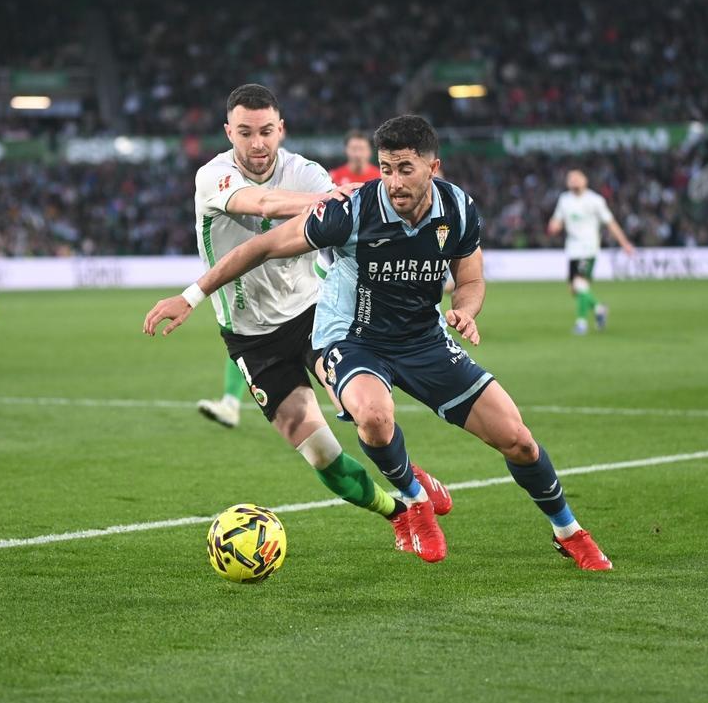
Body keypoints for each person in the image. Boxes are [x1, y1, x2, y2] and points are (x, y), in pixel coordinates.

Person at [146, 115, 613, 570]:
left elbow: (470, 278)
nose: (393, 181)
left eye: (405, 169)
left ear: (434, 167)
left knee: (518, 440)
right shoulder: (353, 210)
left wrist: (466, 313)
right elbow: (262, 246)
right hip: (354, 338)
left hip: (423, 338)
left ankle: (568, 532)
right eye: (386, 168)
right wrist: (193, 295)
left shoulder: (460, 210)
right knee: (371, 417)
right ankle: (413, 499)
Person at [173, 85, 451, 552]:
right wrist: (330, 201)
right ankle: (398, 511)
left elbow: (356, 219)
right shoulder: (213, 176)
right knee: (322, 455)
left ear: (280, 129)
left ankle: (411, 485)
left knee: (361, 407)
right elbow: (259, 204)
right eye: (245, 133)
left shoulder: (306, 172)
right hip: (252, 340)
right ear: (229, 133)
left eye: (265, 131)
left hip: (314, 315)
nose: (257, 143)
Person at [547, 169, 636, 335]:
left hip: (588, 247)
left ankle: (581, 323)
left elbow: (610, 223)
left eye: (576, 177)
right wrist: (554, 226)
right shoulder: (564, 199)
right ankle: (599, 308)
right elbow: (557, 220)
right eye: (570, 178)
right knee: (574, 289)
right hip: (572, 249)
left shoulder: (595, 200)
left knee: (580, 284)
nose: (573, 180)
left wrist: (624, 243)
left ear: (585, 180)